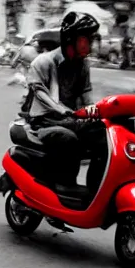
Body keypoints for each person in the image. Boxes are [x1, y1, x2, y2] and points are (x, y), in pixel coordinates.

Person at [21, 11, 103, 187]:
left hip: (71, 119)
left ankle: (98, 189)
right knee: (68, 139)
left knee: (106, 134)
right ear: (70, 39)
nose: (91, 44)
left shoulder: (82, 65)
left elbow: (86, 93)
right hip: (44, 122)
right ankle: (65, 188)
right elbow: (39, 92)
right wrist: (60, 109)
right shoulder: (44, 61)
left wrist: (96, 112)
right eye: (87, 38)